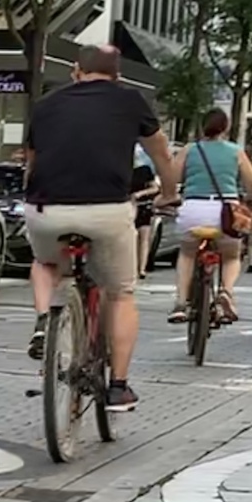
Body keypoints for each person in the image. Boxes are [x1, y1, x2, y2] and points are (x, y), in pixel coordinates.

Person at [23, 44, 176, 412]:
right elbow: (160, 154)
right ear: (117, 74)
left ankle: (45, 319)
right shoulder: (130, 100)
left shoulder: (46, 105)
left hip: (47, 208)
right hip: (107, 210)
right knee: (120, 293)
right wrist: (168, 194)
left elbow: (31, 163)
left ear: (76, 71)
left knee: (45, 264)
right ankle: (119, 387)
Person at [166, 109, 252, 325]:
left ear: (202, 127)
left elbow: (172, 179)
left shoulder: (189, 150)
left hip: (193, 208)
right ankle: (226, 291)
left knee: (187, 253)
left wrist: (166, 198)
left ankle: (180, 303)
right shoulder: (236, 151)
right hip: (226, 212)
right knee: (232, 255)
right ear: (225, 128)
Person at [130, 144, 159, 280]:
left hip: (144, 205)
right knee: (132, 237)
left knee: (144, 238)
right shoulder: (123, 171)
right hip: (128, 207)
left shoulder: (145, 170)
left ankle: (142, 268)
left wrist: (140, 194)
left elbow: (155, 188)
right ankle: (133, 267)